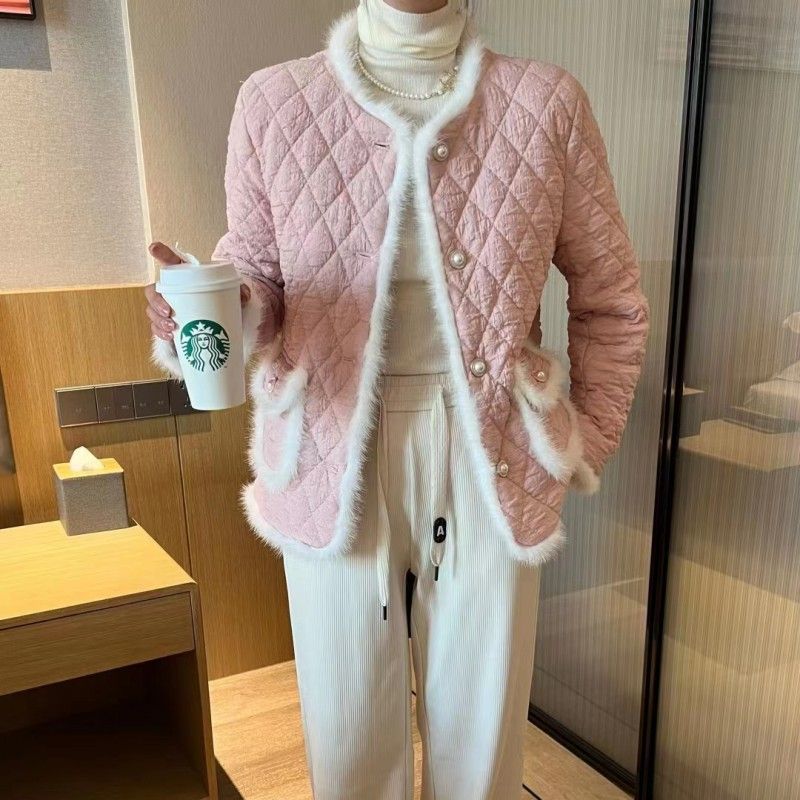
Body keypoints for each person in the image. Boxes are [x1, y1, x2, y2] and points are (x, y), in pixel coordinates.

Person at [145, 1, 649, 797]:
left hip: (491, 453)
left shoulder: (547, 103)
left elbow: (612, 299)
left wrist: (583, 440)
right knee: (348, 739)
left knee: (481, 746)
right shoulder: (274, 101)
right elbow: (260, 281)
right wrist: (207, 318)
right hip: (328, 446)